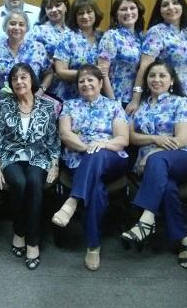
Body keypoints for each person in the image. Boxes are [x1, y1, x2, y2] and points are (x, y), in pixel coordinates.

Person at [121, 59, 187, 270]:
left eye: (162, 75)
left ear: (171, 80)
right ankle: (184, 240)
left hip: (184, 158)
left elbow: (182, 140)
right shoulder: (139, 105)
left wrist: (154, 152)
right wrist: (155, 140)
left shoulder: (180, 102)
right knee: (168, 187)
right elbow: (131, 137)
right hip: (151, 166)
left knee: (158, 162)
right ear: (146, 80)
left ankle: (146, 221)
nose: (156, 79)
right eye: (152, 75)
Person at [51, 64, 129, 271]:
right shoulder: (69, 105)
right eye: (81, 81)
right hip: (80, 159)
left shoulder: (113, 106)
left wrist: (102, 145)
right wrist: (88, 149)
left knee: (98, 155)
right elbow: (65, 135)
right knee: (96, 190)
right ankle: (93, 246)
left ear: (101, 83)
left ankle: (72, 201)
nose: (85, 84)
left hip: (112, 158)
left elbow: (122, 139)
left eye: (90, 80)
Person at [0, 63, 60, 270]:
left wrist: (54, 165)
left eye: (23, 77)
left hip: (38, 156)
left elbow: (54, 140)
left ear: (32, 80)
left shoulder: (47, 106)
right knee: (19, 183)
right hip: (10, 156)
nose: (19, 82)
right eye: (14, 79)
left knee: (34, 182)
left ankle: (32, 241)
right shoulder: (4, 105)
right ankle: (19, 231)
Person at [127, 0, 187, 114]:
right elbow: (145, 66)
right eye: (165, 5)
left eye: (175, 2)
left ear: (182, 5)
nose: (171, 7)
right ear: (160, 10)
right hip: (166, 98)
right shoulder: (156, 32)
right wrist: (135, 99)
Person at [0, 10, 51, 111]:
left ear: (26, 28)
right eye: (12, 23)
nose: (17, 27)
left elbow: (49, 73)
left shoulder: (37, 48)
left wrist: (40, 92)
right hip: (2, 109)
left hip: (32, 107)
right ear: (5, 26)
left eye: (21, 24)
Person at [54, 0, 106, 101]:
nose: (85, 16)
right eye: (80, 13)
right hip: (70, 97)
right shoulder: (67, 37)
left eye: (89, 12)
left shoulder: (103, 37)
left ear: (95, 13)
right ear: (75, 17)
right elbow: (60, 71)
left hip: (97, 98)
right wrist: (89, 74)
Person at [98, 0, 146, 108]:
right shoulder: (111, 36)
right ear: (116, 15)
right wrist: (113, 103)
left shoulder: (141, 37)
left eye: (132, 8)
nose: (129, 12)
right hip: (117, 99)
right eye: (123, 9)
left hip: (139, 99)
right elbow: (102, 72)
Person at [25, 0, 71, 98]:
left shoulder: (75, 30)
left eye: (58, 5)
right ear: (44, 10)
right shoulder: (37, 31)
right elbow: (29, 60)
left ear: (66, 6)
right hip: (48, 88)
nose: (54, 10)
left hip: (75, 88)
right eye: (49, 7)